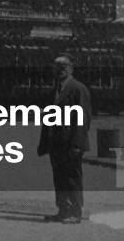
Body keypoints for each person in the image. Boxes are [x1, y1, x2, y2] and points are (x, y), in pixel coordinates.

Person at [37, 54, 91, 224]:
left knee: (72, 177)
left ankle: (75, 211)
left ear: (71, 68)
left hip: (70, 143)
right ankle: (63, 209)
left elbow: (83, 119)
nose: (60, 70)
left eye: (63, 67)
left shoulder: (78, 89)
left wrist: (77, 144)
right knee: (59, 177)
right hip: (56, 142)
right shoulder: (55, 90)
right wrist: (44, 142)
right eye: (57, 67)